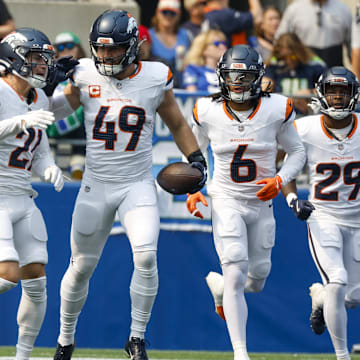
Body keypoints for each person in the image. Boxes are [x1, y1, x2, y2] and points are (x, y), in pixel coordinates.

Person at [51, 9, 207, 360]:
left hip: (137, 184)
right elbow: (57, 112)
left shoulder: (155, 77)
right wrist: (49, 84)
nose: (105, 57)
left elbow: (178, 124)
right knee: (80, 267)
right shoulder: (84, 73)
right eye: (100, 49)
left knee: (147, 256)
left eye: (113, 49)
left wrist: (196, 157)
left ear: (134, 46)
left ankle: (136, 338)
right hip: (96, 184)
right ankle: (64, 339)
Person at [186, 45, 306, 360]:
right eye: (231, 75)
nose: (237, 82)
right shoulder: (207, 110)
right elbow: (194, 154)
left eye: (245, 75)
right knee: (237, 270)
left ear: (258, 76)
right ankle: (241, 353)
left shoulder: (275, 108)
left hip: (261, 203)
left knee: (257, 279)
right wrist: (194, 187)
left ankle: (221, 288)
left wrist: (280, 181)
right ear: (221, 76)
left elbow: (298, 152)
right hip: (225, 198)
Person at [281, 66, 360, 360]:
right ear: (321, 94)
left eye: (343, 92)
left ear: (353, 95)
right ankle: (342, 357)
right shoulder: (305, 129)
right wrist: (291, 200)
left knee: (351, 297)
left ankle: (322, 299)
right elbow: (284, 167)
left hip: (357, 219)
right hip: (323, 216)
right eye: (332, 91)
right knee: (337, 279)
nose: (338, 97)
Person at [0, 28, 66, 360]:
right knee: (7, 276)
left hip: (23, 197)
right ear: (14, 58)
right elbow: (15, 127)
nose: (42, 65)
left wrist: (49, 167)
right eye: (36, 58)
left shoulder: (38, 98)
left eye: (44, 59)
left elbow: (38, 149)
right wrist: (20, 121)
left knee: (37, 281)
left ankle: (21, 357)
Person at [47, 31, 87, 179]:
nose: (66, 50)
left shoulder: (87, 69)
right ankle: (48, 159)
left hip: (77, 116)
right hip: (55, 116)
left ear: (78, 48)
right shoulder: (49, 70)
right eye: (61, 47)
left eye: (70, 46)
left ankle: (78, 162)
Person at [262, 33, 327, 114]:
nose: (289, 61)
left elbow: (327, 89)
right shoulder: (273, 67)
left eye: (293, 57)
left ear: (299, 53)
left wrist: (310, 93)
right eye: (284, 57)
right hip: (281, 114)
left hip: (306, 114)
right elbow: (264, 87)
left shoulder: (314, 66)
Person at [275, 0, 352, 68]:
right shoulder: (294, 9)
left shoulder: (343, 9)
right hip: (303, 70)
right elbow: (280, 41)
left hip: (333, 69)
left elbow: (352, 45)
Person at [149, 0, 190, 88]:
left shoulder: (186, 35)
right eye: (164, 12)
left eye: (172, 13)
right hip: (156, 86)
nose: (168, 16)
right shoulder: (148, 36)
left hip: (182, 88)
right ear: (157, 13)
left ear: (178, 15)